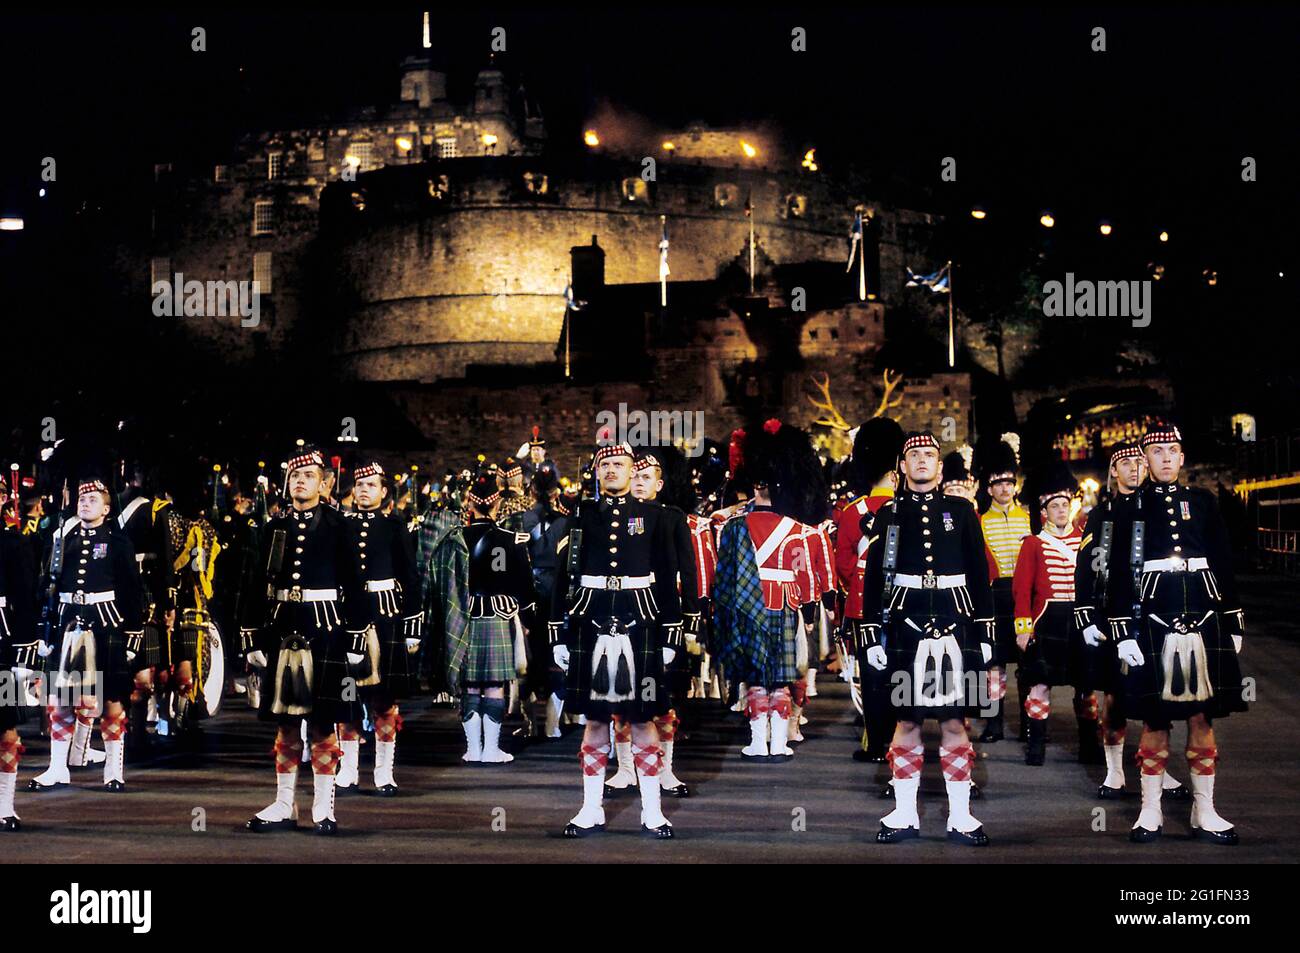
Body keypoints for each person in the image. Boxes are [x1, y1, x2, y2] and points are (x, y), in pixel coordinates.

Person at [1106, 423, 1246, 845]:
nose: (1165, 458)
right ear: (1144, 460)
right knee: (1156, 718)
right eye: (1156, 451)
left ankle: (1206, 810)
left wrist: (1233, 618)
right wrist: (1122, 631)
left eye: (1172, 451)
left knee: (1203, 717)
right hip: (1153, 616)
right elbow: (1117, 574)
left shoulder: (1202, 502)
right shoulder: (1128, 507)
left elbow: (1222, 559)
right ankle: (1150, 812)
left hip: (1204, 614)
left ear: (1182, 458)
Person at [861, 433, 995, 846]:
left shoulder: (962, 511)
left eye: (930, 456)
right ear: (902, 466)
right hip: (907, 623)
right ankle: (904, 812)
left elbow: (979, 573)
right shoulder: (887, 514)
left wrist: (986, 631)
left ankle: (960, 814)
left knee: (955, 720)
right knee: (907, 720)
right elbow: (872, 579)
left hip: (957, 622)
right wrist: (871, 635)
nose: (922, 461)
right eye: (914, 455)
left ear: (940, 466)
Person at [549, 440, 683, 838]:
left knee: (643, 721)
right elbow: (563, 577)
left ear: (631, 470)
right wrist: (559, 633)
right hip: (590, 620)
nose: (612, 470)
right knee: (593, 721)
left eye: (619, 464)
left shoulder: (654, 517)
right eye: (605, 464)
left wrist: (671, 632)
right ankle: (590, 809)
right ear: (596, 471)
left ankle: (652, 811)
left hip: (639, 621)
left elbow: (666, 574)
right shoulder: (580, 516)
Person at [242, 447, 366, 835]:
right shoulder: (271, 528)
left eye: (309, 476)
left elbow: (355, 585)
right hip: (282, 627)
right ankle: (283, 803)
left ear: (323, 483)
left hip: (325, 628)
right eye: (295, 476)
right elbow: (253, 587)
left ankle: (323, 807)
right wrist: (252, 637)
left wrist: (356, 638)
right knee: (284, 722)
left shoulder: (338, 525)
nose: (300, 481)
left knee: (324, 723)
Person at [1074, 443, 1188, 800]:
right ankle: (1114, 770)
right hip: (1112, 613)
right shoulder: (1102, 513)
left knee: (1156, 695)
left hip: (1155, 612)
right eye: (1126, 462)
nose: (1135, 467)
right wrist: (1087, 614)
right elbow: (1087, 567)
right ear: (1114, 471)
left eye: (1140, 460)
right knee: (1114, 695)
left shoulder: (1156, 506)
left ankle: (1158, 766)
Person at [713, 420, 828, 763]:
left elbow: (725, 578)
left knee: (755, 679)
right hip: (785, 607)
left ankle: (757, 742)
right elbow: (806, 580)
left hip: (746, 610)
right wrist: (808, 616)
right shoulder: (798, 531)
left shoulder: (732, 527)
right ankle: (779, 743)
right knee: (780, 681)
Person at [27, 480, 144, 794]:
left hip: (104, 623)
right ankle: (57, 768)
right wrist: (43, 630)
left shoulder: (119, 542)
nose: (85, 503)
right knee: (60, 700)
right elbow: (46, 587)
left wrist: (133, 634)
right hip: (66, 623)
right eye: (82, 499)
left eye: (93, 499)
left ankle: (113, 770)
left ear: (106, 509)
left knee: (111, 701)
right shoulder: (61, 538)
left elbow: (132, 591)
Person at [432, 473, 535, 763]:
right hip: (497, 618)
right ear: (498, 502)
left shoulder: (454, 540)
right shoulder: (510, 540)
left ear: (469, 503)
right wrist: (529, 623)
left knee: (468, 685)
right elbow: (524, 588)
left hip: (461, 619)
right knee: (493, 684)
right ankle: (491, 749)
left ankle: (472, 749)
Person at [336, 461, 421, 794]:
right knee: (349, 696)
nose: (363, 490)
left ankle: (384, 771)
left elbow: (410, 577)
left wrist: (413, 623)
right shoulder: (341, 527)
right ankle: (349, 768)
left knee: (384, 700)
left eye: (371, 485)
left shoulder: (394, 526)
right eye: (359, 485)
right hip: (349, 618)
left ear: (384, 492)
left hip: (386, 618)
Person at [1011, 464, 1091, 766]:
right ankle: (1036, 745)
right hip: (1047, 621)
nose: (1060, 510)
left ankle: (1089, 744)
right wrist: (1023, 626)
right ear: (1044, 511)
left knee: (1085, 685)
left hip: (1079, 620)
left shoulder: (1084, 541)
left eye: (1064, 505)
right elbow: (1022, 589)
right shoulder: (1033, 543)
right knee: (1040, 685)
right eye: (1054, 506)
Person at [835, 417, 904, 763]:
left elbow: (844, 567)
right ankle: (903, 743)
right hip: (903, 604)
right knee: (901, 672)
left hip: (864, 609)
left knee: (872, 676)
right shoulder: (908, 508)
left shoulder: (852, 513)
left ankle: (877, 743)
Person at [975, 436, 1030, 743]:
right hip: (996, 595)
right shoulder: (981, 522)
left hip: (1024, 596)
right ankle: (993, 722)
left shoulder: (1030, 519)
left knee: (1027, 663)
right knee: (994, 664)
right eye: (998, 483)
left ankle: (1028, 723)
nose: (1005, 488)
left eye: (1009, 482)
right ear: (988, 488)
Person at [0, 513, 39, 829]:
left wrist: (23, 654)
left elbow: (26, 599)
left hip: (1, 642)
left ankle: (4, 805)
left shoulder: (13, 542)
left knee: (5, 729)